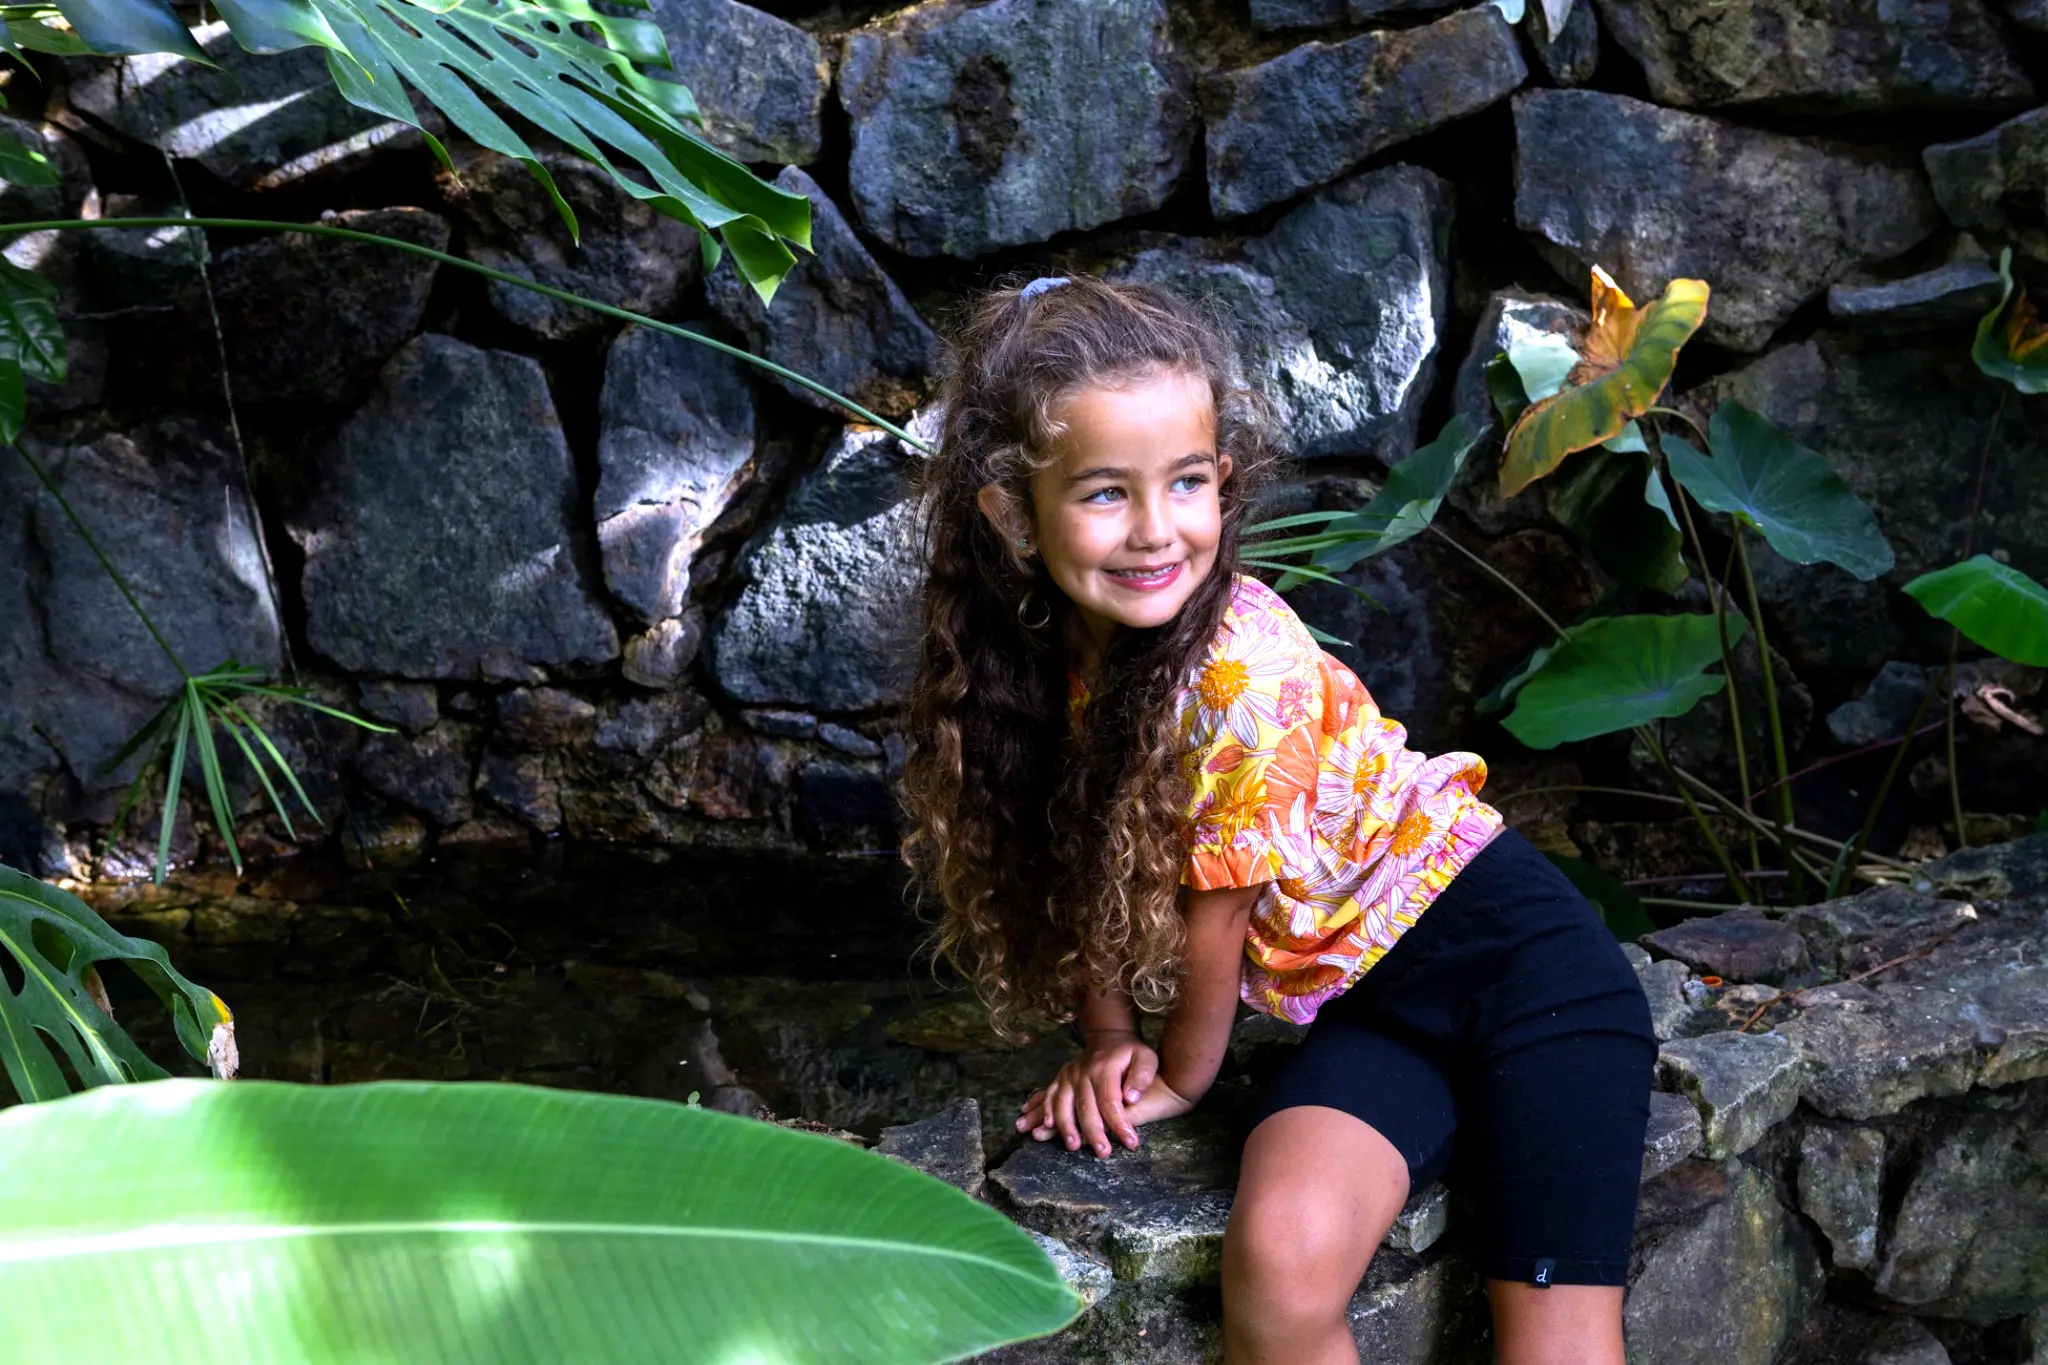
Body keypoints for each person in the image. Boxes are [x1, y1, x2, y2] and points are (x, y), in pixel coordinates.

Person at [901, 275, 1654, 1365]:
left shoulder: (1241, 665)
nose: (1155, 532)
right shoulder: (1051, 658)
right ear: (1014, 515)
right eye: (1105, 493)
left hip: (1523, 979)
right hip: (1368, 1010)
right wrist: (1107, 1039)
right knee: (1279, 1268)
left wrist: (1174, 1076)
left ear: (1226, 481)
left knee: (1553, 1339)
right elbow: (1083, 849)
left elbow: (1219, 910)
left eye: (1188, 483)